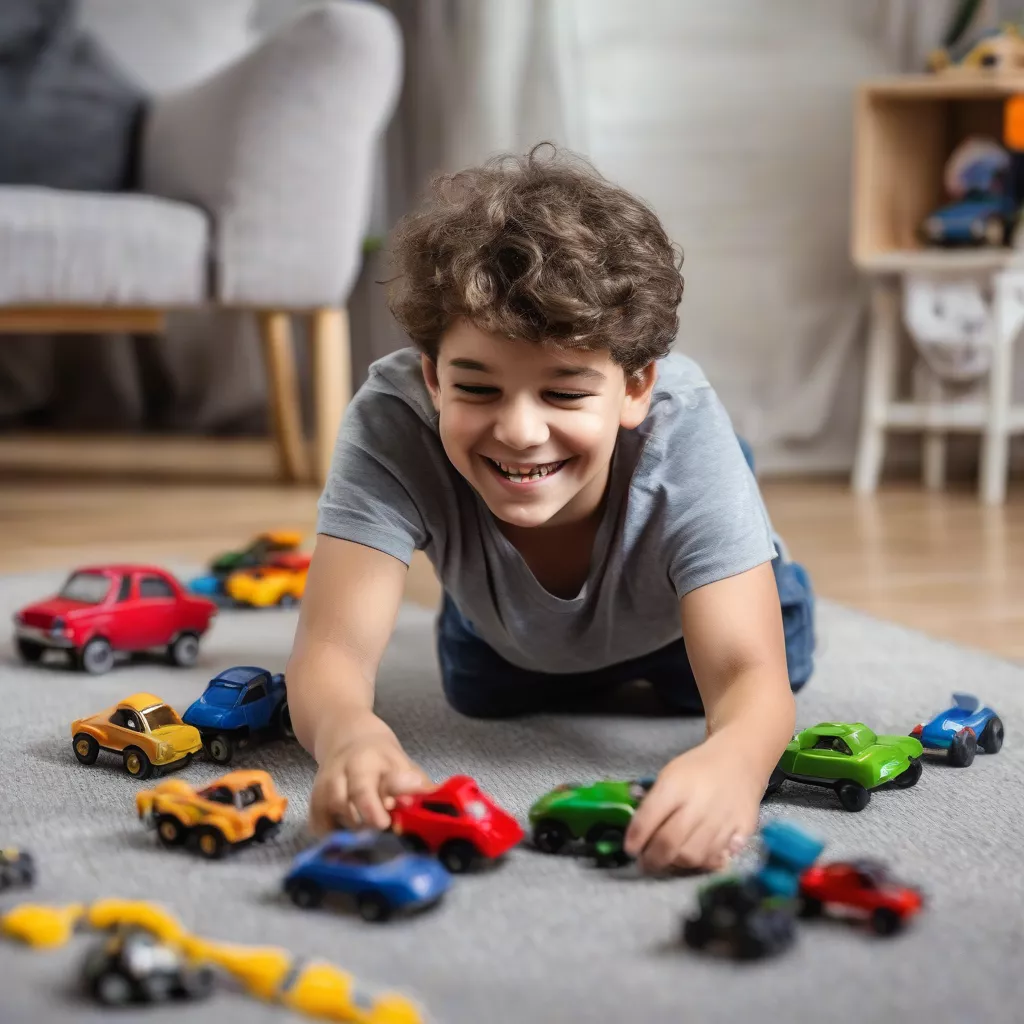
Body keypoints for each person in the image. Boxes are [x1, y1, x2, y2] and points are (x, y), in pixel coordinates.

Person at [287, 145, 815, 873]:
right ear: (434, 378)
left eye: (565, 393)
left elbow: (749, 678)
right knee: (479, 693)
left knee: (732, 681)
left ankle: (735, 524)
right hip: (508, 638)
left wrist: (734, 764)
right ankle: (506, 593)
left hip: (676, 625)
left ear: (634, 389)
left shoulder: (678, 421)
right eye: (477, 389)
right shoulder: (391, 418)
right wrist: (347, 735)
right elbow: (331, 651)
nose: (519, 429)